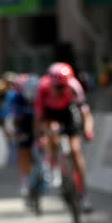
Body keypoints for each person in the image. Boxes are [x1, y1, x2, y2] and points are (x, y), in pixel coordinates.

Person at [35, 62, 95, 212]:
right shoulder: (43, 88)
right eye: (57, 87)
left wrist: (88, 130)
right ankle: (54, 167)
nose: (61, 90)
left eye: (64, 87)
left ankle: (83, 192)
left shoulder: (74, 87)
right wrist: (42, 136)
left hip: (69, 112)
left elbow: (86, 114)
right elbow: (39, 118)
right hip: (51, 114)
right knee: (52, 136)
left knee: (75, 150)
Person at [0, 74, 40, 199]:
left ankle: (53, 168)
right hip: (24, 124)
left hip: (40, 122)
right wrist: (13, 132)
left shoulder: (42, 95)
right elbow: (9, 119)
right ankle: (25, 181)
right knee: (23, 149)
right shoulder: (15, 97)